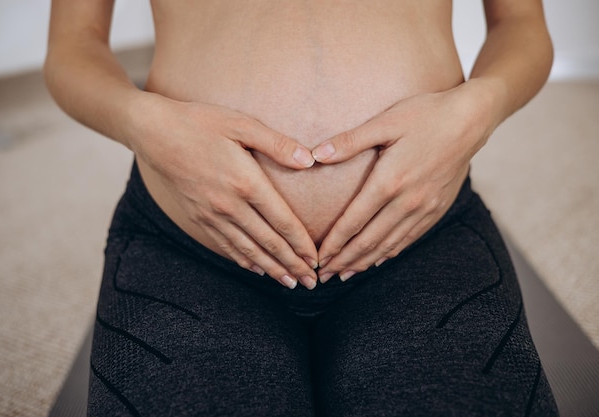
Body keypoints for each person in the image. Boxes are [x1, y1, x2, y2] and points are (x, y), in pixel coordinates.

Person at [45, 0, 559, 415]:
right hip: (192, 246)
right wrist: (141, 120)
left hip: (419, 236)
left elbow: (520, 25)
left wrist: (479, 107)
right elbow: (73, 46)